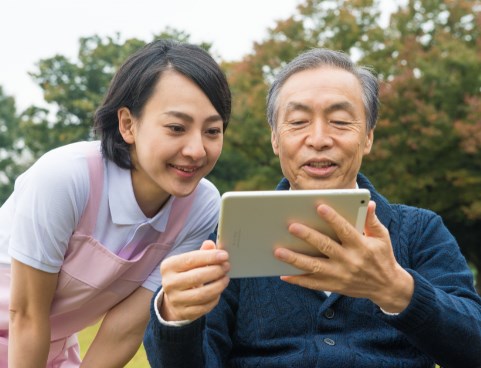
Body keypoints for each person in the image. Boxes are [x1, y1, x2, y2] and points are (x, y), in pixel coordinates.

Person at [143, 48, 481, 368]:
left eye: (340, 121)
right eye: (299, 121)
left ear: (368, 137)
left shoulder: (420, 231)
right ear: (276, 138)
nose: (319, 138)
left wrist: (395, 289)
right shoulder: (231, 235)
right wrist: (175, 316)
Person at [0, 38, 231, 367]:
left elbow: (125, 328)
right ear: (128, 124)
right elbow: (26, 315)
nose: (196, 150)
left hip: (48, 351)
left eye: (212, 131)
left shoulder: (201, 205)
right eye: (176, 128)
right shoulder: (66, 177)